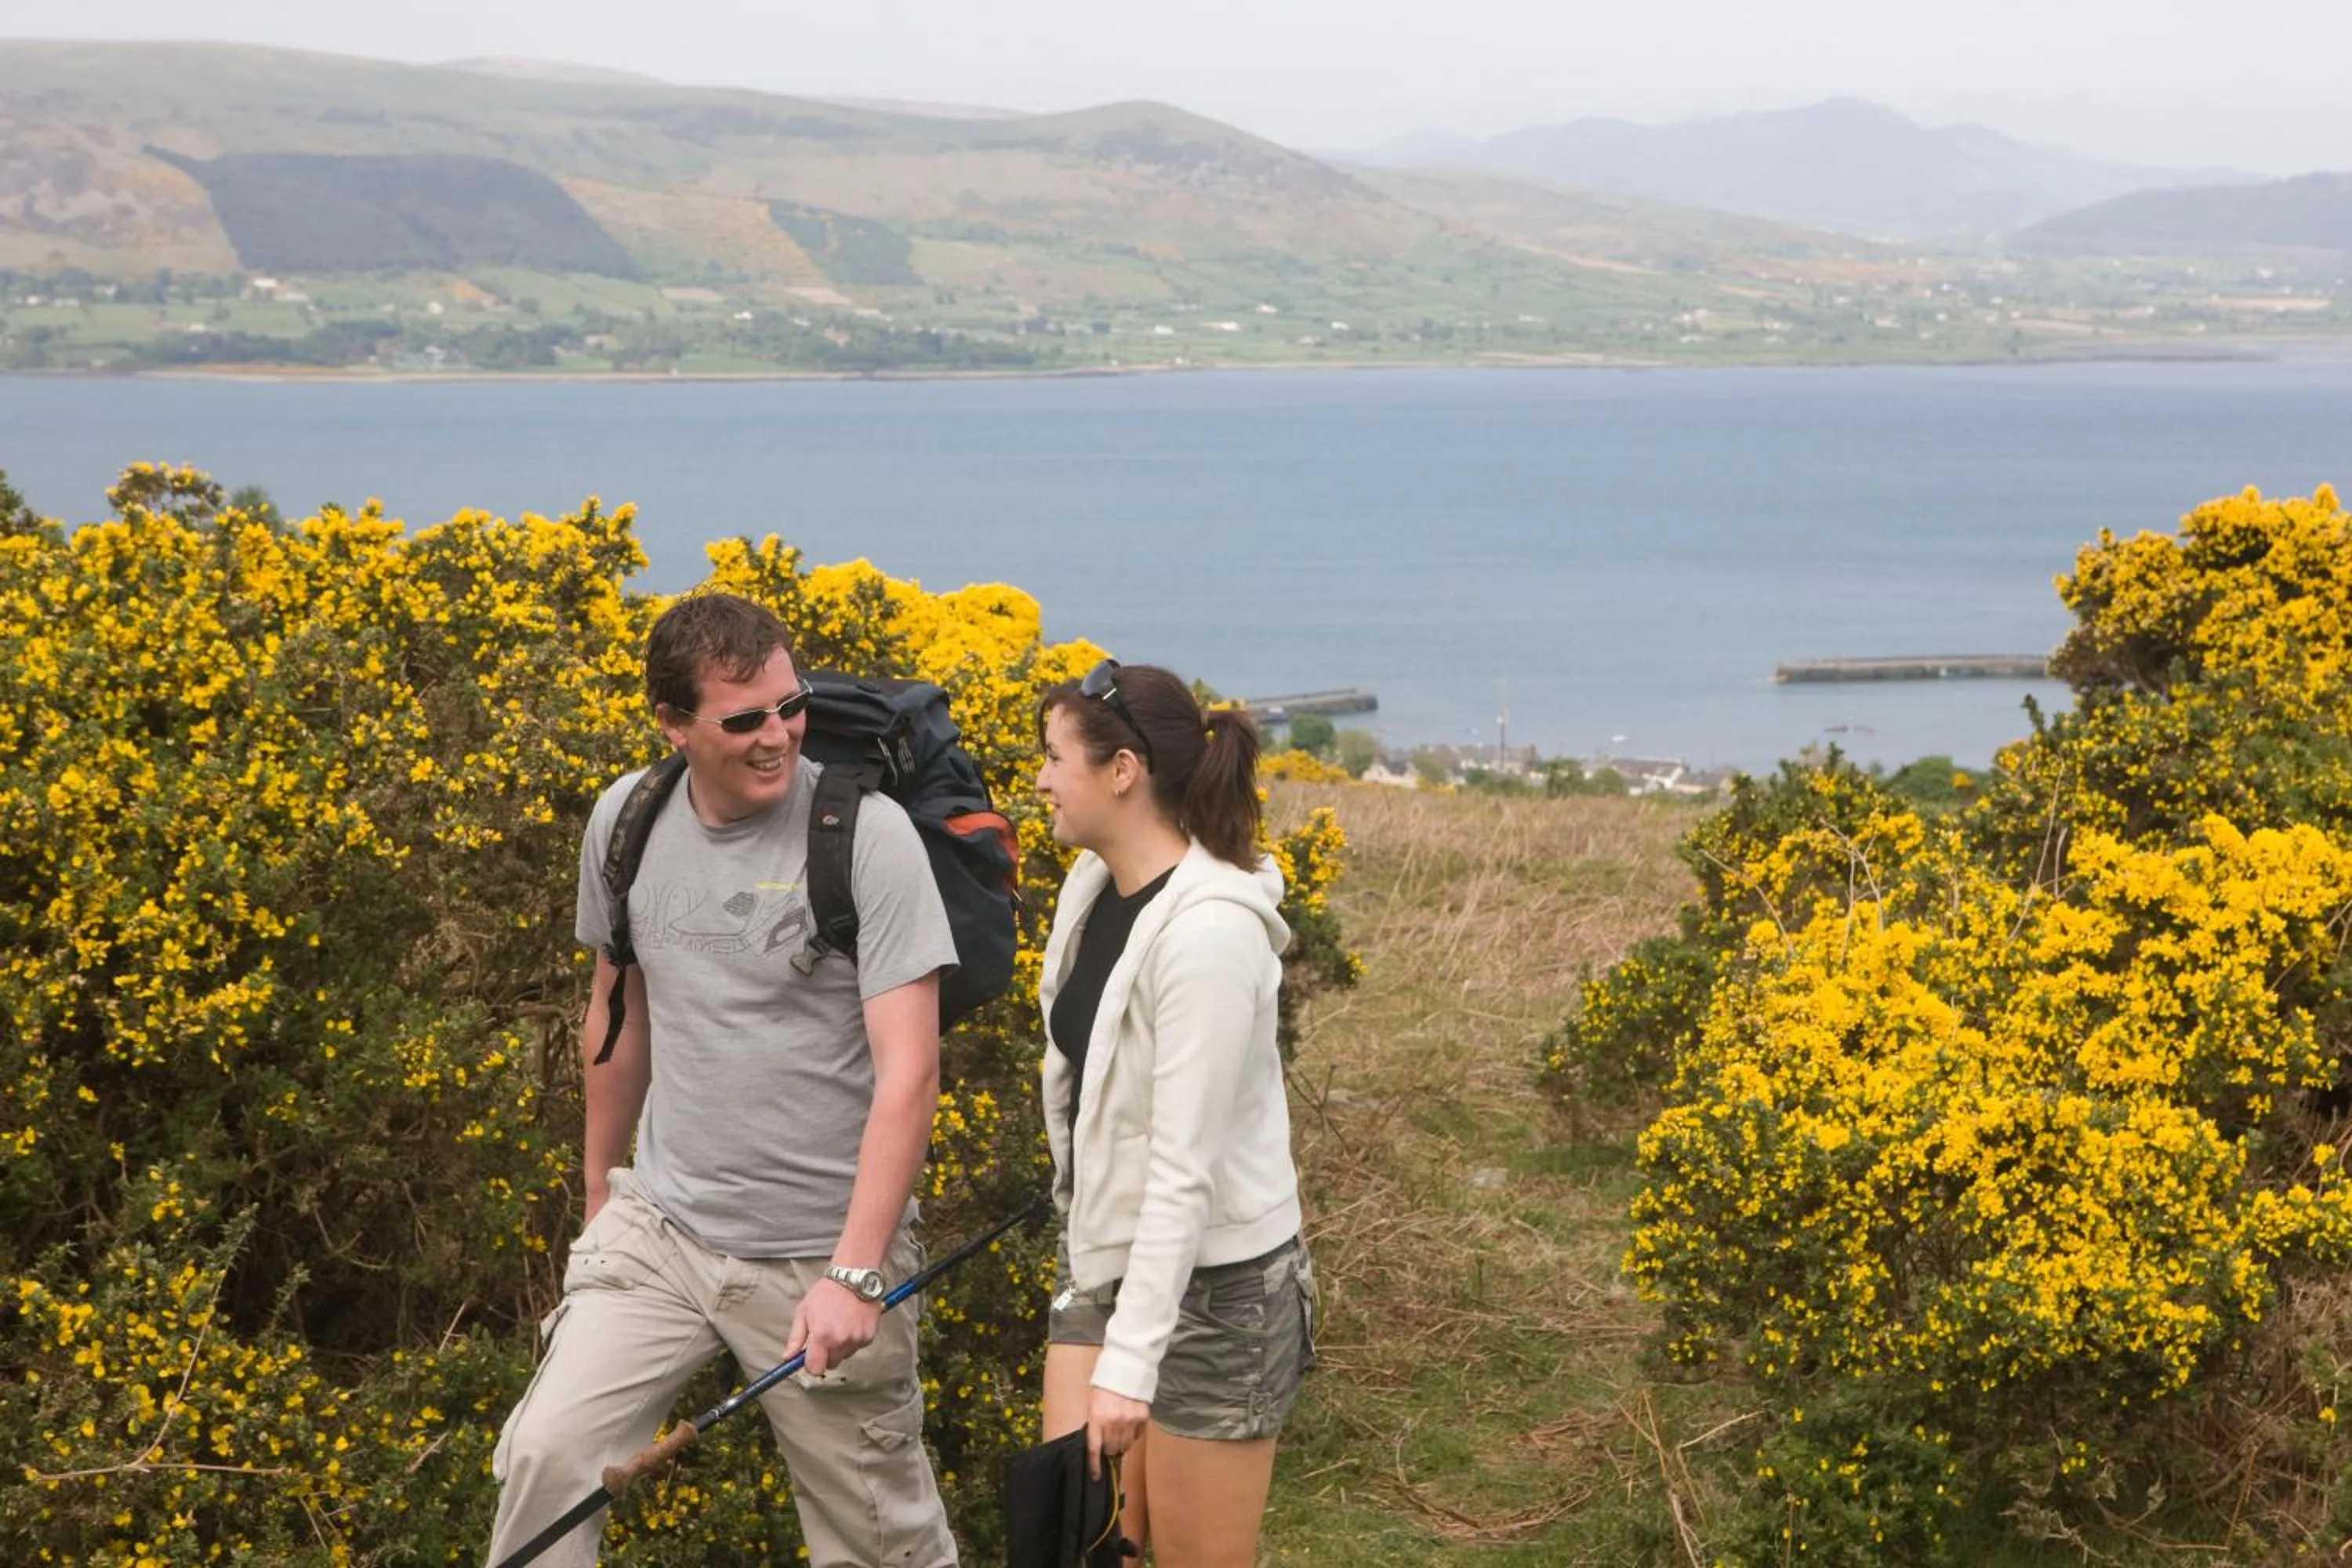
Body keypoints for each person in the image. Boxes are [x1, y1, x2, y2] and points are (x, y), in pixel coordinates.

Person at [487, 593, 962, 1568]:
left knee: (881, 1545)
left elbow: (911, 1070)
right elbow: (616, 1016)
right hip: (662, 1230)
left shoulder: (869, 836)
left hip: (820, 1251)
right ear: (673, 723)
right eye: (744, 719)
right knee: (545, 1455)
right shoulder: (626, 819)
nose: (777, 736)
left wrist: (855, 1271)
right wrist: (600, 1195)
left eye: (791, 706)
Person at [1032, 659, 1316, 1568]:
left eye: (1055, 757)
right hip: (1107, 1251)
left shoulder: (1211, 933)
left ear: (1123, 770)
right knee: (1074, 1541)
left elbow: (1183, 1169)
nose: (1039, 779)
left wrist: (1130, 1363)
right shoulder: (1090, 888)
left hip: (1221, 1293)